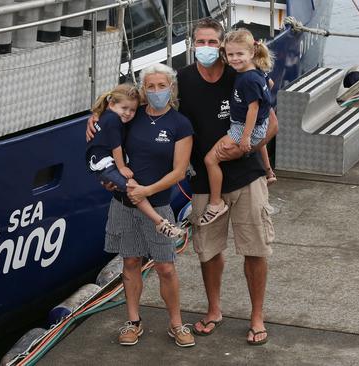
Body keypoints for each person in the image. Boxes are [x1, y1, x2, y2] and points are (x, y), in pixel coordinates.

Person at [177, 18, 276, 346]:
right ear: (192, 44)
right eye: (198, 42)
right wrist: (98, 115)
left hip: (246, 176)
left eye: (211, 43)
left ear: (222, 46)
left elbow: (271, 125)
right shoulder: (184, 79)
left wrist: (245, 149)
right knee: (209, 252)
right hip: (205, 182)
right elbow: (147, 101)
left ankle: (257, 316)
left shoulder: (242, 73)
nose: (205, 48)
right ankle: (214, 310)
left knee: (255, 249)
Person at [89, 64, 195, 347]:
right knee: (131, 262)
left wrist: (146, 190)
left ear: (171, 89)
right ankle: (133, 321)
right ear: (143, 90)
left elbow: (179, 171)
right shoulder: (130, 118)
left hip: (157, 204)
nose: (157, 91)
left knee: (165, 268)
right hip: (123, 203)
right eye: (151, 86)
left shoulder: (180, 124)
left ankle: (176, 323)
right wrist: (109, 180)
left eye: (163, 86)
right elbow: (109, 139)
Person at [198, 28, 275, 226]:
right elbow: (271, 83)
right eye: (230, 54)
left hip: (244, 126)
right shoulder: (257, 72)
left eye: (239, 54)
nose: (234, 59)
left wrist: (245, 137)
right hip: (258, 123)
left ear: (252, 53)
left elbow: (253, 109)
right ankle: (269, 171)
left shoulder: (248, 79)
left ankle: (215, 203)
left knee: (210, 160)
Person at [86, 83, 184, 238]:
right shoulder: (113, 120)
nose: (128, 113)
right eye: (124, 108)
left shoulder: (109, 115)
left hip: (103, 160)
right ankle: (160, 222)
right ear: (112, 104)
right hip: (103, 162)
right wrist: (122, 168)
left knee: (132, 187)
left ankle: (160, 223)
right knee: (133, 187)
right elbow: (116, 147)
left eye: (132, 110)